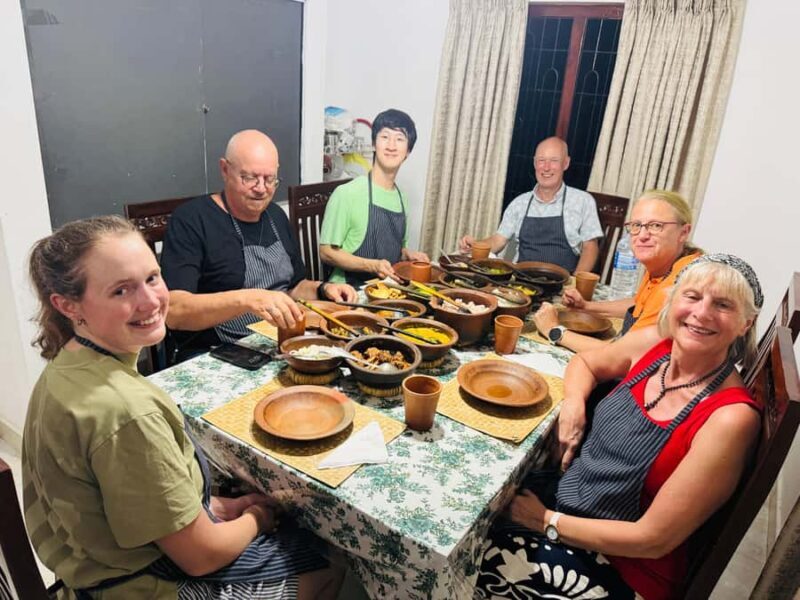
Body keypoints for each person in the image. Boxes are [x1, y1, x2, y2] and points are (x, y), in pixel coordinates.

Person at [23, 216, 344, 599]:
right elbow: (201, 556)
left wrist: (214, 508)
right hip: (136, 586)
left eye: (152, 278)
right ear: (68, 305)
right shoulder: (127, 411)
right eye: (120, 290)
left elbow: (132, 495)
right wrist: (259, 517)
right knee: (330, 563)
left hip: (91, 558)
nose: (150, 301)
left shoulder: (65, 366)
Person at [476, 254, 763, 600]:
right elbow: (585, 362)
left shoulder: (730, 418)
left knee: (473, 560)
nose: (702, 313)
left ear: (746, 323)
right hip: (573, 506)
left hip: (623, 568)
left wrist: (544, 521)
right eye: (692, 296)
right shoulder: (657, 346)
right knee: (477, 502)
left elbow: (653, 540)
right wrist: (574, 405)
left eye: (723, 305)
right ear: (672, 301)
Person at [161, 130, 357, 360]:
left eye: (270, 179)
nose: (261, 188)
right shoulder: (191, 220)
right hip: (218, 352)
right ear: (225, 169)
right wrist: (249, 300)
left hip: (275, 343)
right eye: (250, 178)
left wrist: (323, 289)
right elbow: (175, 312)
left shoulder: (275, 215)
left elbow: (294, 287)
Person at [533, 189, 703, 353]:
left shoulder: (679, 285)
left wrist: (553, 330)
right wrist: (586, 307)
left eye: (656, 225)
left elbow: (623, 355)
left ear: (684, 232)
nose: (642, 235)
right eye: (636, 225)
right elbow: (639, 304)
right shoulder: (671, 263)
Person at [459, 137, 602, 273]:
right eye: (541, 160)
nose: (546, 167)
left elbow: (590, 247)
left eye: (554, 161)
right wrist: (475, 246)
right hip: (520, 279)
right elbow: (498, 240)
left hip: (563, 283)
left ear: (566, 163)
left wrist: (575, 281)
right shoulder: (519, 203)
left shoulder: (583, 201)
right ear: (534, 163)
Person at [319, 109, 429, 285]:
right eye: (385, 137)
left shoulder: (402, 199)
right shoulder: (347, 193)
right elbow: (326, 252)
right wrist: (371, 265)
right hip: (349, 291)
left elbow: (397, 250)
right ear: (373, 144)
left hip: (387, 289)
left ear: (408, 151)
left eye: (399, 139)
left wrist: (408, 254)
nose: (391, 145)